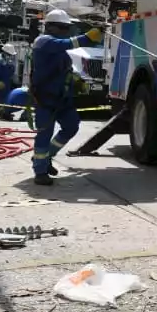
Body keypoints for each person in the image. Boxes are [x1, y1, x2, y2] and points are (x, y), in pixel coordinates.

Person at [29, 10, 101, 186]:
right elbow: (69, 43)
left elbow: (65, 69)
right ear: (50, 27)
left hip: (63, 99)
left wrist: (77, 81)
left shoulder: (59, 47)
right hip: (45, 99)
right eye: (62, 27)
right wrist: (89, 36)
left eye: (67, 27)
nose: (65, 30)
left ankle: (47, 158)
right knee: (44, 134)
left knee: (71, 126)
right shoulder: (43, 42)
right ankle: (40, 170)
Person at [0, 44, 19, 120]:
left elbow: (11, 70)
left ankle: (5, 113)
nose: (11, 56)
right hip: (1, 83)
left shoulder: (7, 60)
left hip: (7, 82)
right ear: (5, 52)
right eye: (9, 54)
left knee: (7, 98)